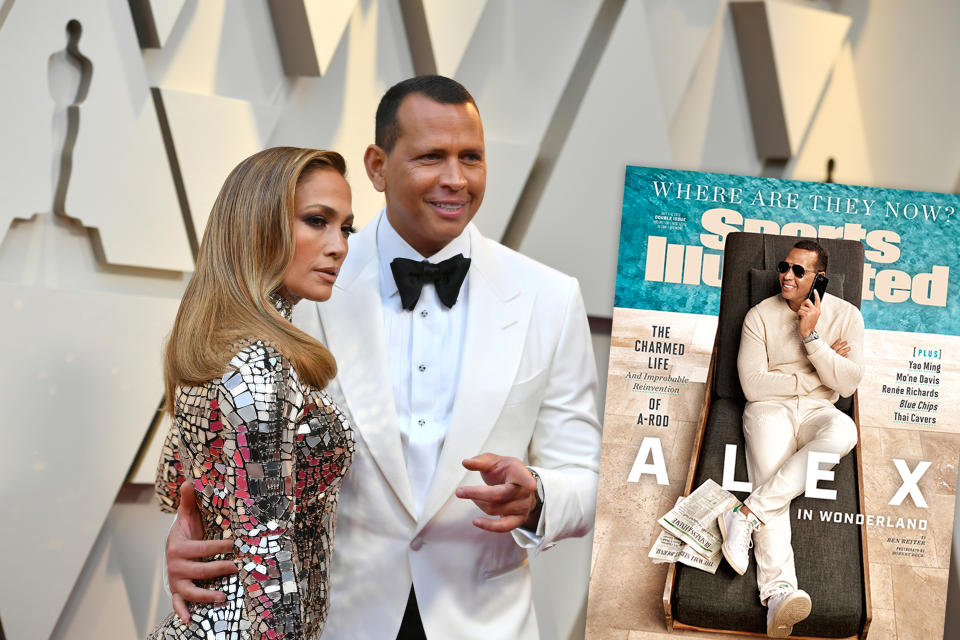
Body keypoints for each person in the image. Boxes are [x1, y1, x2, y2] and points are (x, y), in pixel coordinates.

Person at [164, 75, 602, 639]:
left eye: (472, 157)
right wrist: (188, 536)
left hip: (485, 621)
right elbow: (220, 452)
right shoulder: (305, 283)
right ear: (377, 165)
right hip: (333, 621)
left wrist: (540, 495)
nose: (455, 178)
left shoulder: (550, 296)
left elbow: (588, 479)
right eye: (431, 157)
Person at [149, 147, 357, 639]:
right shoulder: (258, 362)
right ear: (258, 224)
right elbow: (267, 545)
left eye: (345, 227)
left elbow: (173, 483)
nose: (339, 246)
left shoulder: (221, 347)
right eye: (316, 221)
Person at [718, 240, 863, 638]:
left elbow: (848, 385)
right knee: (771, 473)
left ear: (820, 279)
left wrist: (810, 336)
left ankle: (744, 514)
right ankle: (779, 593)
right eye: (785, 266)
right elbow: (752, 385)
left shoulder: (846, 316)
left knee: (844, 431)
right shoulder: (758, 317)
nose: (786, 275)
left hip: (819, 412)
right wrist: (819, 373)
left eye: (799, 271)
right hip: (770, 409)